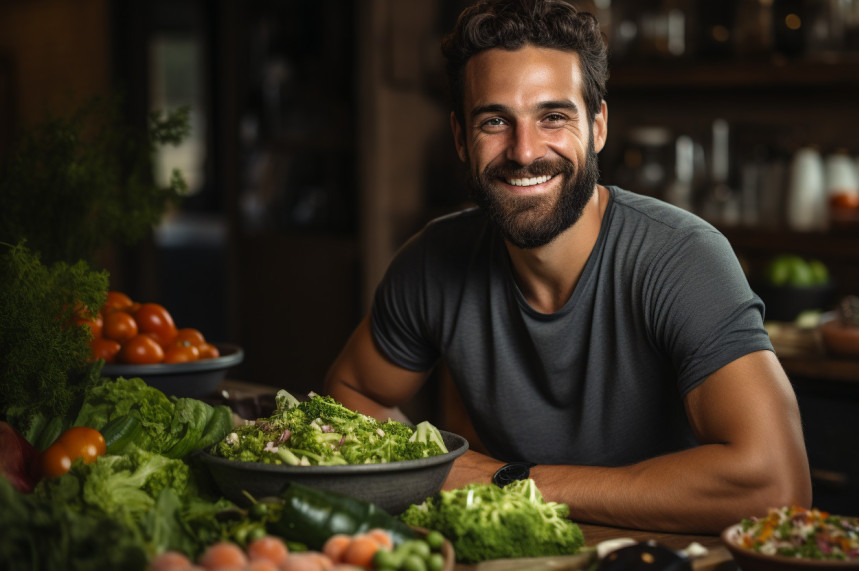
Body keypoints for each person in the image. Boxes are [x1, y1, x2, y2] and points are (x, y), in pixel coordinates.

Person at [325, 0, 811, 534]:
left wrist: (507, 482)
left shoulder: (682, 257)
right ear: (461, 139)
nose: (525, 151)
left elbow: (777, 486)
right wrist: (430, 468)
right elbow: (350, 394)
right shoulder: (433, 260)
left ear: (598, 125)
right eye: (494, 121)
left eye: (553, 116)